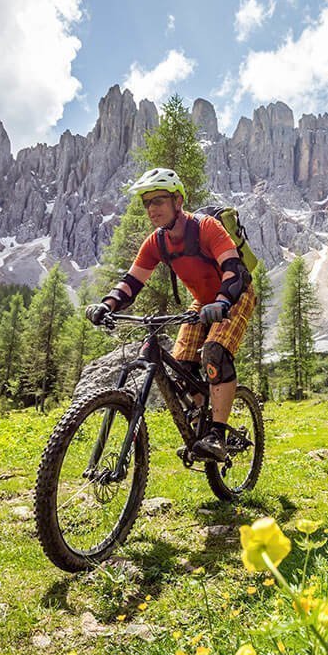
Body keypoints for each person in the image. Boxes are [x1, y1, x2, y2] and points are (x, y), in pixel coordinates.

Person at [85, 167, 256, 461]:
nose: (152, 209)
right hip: (202, 303)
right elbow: (132, 281)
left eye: (159, 200)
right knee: (181, 366)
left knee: (214, 352)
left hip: (235, 297)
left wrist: (223, 301)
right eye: (147, 203)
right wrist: (108, 304)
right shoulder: (157, 242)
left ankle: (217, 434)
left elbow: (234, 270)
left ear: (178, 200)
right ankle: (202, 424)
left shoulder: (206, 229)